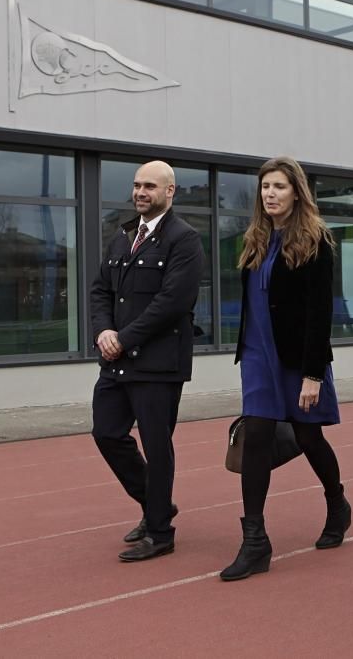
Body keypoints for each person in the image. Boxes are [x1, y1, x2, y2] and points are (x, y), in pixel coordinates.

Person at [221, 156, 350, 581]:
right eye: (265, 187)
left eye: (278, 186)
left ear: (296, 191)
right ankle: (255, 540)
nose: (270, 194)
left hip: (298, 358)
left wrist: (313, 374)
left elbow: (320, 311)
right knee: (256, 434)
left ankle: (337, 501)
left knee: (308, 435)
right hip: (258, 356)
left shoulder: (316, 240)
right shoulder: (255, 238)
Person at [90, 160, 205, 562]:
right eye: (137, 185)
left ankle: (160, 532)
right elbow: (101, 290)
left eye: (150, 186)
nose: (140, 192)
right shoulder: (122, 237)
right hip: (117, 359)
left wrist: (123, 339)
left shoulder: (184, 239)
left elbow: (172, 303)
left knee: (157, 446)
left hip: (158, 363)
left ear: (169, 191)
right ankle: (156, 504)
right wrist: (103, 332)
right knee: (106, 432)